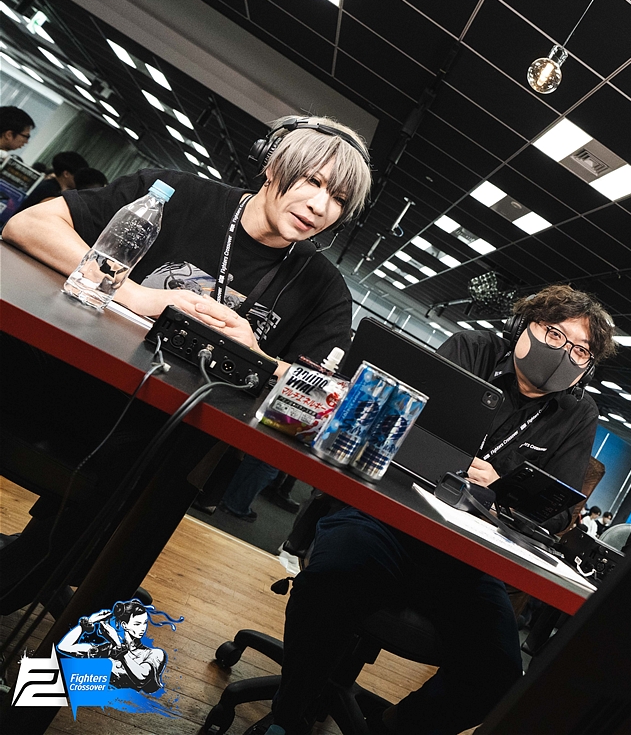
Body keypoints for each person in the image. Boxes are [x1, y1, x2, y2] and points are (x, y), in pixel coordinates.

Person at [0, 116, 371, 613]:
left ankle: (34, 576)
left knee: (150, 485)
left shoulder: (323, 290)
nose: (321, 206)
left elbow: (329, 398)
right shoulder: (176, 194)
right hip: (65, 380)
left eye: (339, 199)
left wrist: (257, 357)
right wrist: (133, 294)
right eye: (313, 181)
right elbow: (29, 225)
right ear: (272, 164)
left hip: (155, 436)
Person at [259, 285, 616, 735]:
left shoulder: (578, 413)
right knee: (329, 585)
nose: (564, 353)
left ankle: (390, 728)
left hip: (467, 560)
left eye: (580, 351)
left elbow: (557, 508)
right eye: (555, 334)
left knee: (497, 676)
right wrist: (456, 462)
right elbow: (402, 425)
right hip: (388, 521)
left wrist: (500, 486)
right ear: (524, 325)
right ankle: (289, 715)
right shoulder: (471, 350)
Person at [56, 599, 182, 693]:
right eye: (137, 624)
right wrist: (88, 622)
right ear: (124, 625)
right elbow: (64, 647)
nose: (143, 628)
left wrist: (117, 644)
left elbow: (141, 677)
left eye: (144, 623)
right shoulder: (107, 649)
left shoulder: (154, 653)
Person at [22, 150, 88, 206]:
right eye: (80, 175)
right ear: (66, 174)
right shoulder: (50, 191)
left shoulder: (50, 186)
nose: (82, 179)